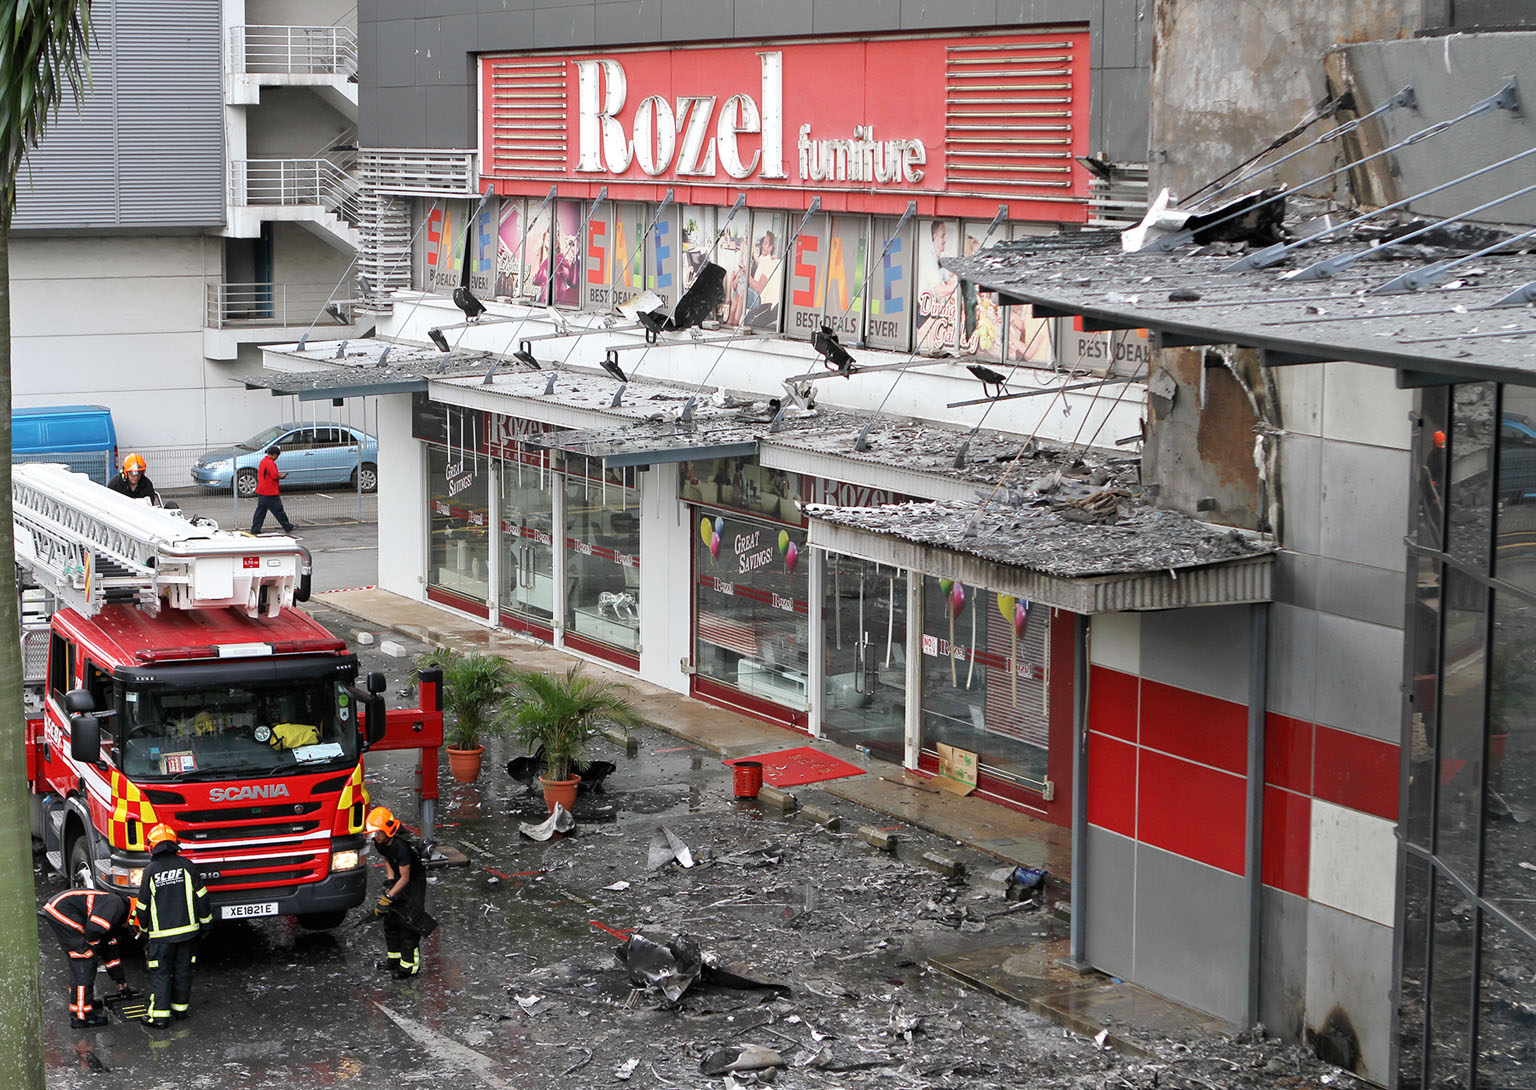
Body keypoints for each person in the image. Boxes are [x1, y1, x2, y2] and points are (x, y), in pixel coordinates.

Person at [135, 824, 210, 1028]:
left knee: (160, 973)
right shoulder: (187, 866)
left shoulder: (150, 871)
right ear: (175, 844)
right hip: (188, 933)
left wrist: (144, 931)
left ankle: (159, 1017)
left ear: (152, 846)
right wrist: (205, 924)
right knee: (183, 970)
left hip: (161, 937)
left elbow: (142, 906)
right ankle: (180, 1010)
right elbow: (202, 897)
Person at [40, 887, 134, 1028]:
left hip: (60, 909)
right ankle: (82, 1016)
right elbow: (93, 930)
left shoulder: (113, 915)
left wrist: (120, 980)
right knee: (85, 960)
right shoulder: (116, 904)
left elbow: (110, 952)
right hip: (63, 910)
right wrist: (94, 947)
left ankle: (83, 1002)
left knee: (80, 960)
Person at [366, 805, 427, 979]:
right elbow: (388, 860)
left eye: (376, 833)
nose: (374, 837)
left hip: (413, 883)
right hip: (399, 880)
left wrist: (389, 896)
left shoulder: (402, 847)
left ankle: (409, 967)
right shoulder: (381, 843)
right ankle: (394, 959)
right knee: (391, 921)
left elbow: (406, 878)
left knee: (408, 925)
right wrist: (390, 883)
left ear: (387, 831)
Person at [250, 444, 296, 536]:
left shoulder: (263, 461)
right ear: (274, 455)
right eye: (277, 456)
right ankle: (287, 526)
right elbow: (274, 476)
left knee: (260, 511)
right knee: (278, 510)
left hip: (262, 489)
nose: (277, 458)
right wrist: (282, 476)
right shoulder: (270, 463)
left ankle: (255, 529)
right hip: (270, 491)